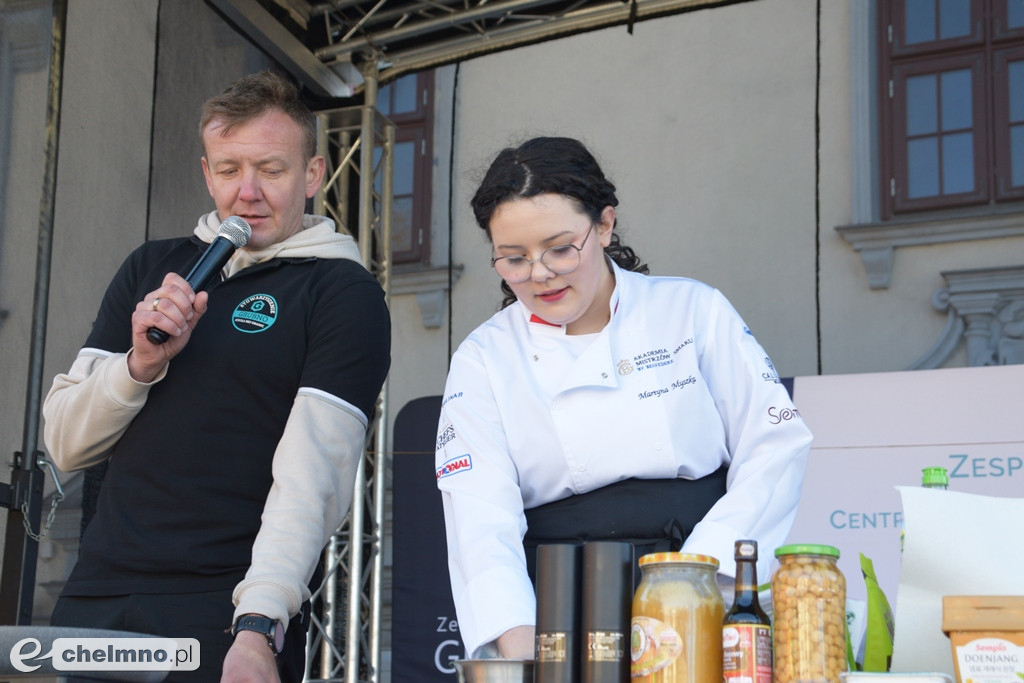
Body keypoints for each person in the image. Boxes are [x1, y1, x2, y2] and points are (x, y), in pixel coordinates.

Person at [42, 71, 391, 682]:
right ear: (207, 174)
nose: (247, 193)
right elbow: (66, 443)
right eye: (229, 171)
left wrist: (260, 623)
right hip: (96, 597)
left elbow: (314, 474)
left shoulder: (342, 292)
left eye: (271, 170)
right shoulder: (154, 268)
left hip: (223, 609)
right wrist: (138, 366)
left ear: (312, 175)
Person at [434, 136, 812, 659]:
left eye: (560, 248)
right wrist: (524, 650)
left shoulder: (692, 310)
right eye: (514, 259)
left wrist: (695, 582)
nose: (539, 273)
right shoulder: (484, 357)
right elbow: (480, 517)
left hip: (699, 584)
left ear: (605, 225)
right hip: (556, 601)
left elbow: (774, 446)